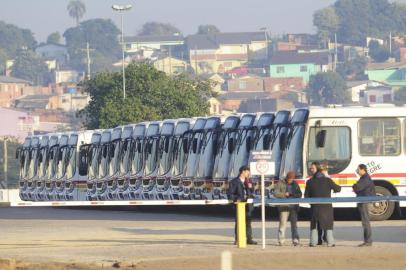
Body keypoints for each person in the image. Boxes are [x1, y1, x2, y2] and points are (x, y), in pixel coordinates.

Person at [305, 162, 341, 247]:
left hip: (315, 207)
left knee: (314, 224)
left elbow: (306, 196)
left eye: (312, 168)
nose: (311, 169)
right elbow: (338, 189)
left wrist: (311, 203)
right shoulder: (327, 180)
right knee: (328, 224)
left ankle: (313, 242)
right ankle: (330, 242)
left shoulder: (310, 182)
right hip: (326, 207)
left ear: (317, 169)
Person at [228, 165, 257, 245]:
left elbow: (251, 191)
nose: (249, 173)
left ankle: (249, 239)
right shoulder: (234, 182)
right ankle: (238, 239)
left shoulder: (249, 181)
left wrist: (250, 187)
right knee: (239, 222)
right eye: (248, 171)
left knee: (248, 222)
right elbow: (230, 194)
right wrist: (237, 198)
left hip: (248, 205)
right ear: (243, 171)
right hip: (239, 205)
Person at [273, 171, 302, 246]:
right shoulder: (280, 183)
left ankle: (295, 239)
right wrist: (284, 194)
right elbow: (275, 193)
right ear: (287, 178)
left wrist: (293, 194)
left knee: (294, 224)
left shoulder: (295, 184)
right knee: (282, 223)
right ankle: (281, 240)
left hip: (293, 206)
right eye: (290, 179)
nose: (291, 180)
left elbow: (300, 194)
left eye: (292, 179)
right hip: (283, 206)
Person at [353, 164, 375, 247]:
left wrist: (354, 186)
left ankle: (368, 241)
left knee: (365, 222)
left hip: (364, 201)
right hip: (363, 201)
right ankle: (367, 241)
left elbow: (357, 188)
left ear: (363, 170)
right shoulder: (364, 178)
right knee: (365, 222)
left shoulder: (365, 179)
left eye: (358, 169)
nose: (357, 171)